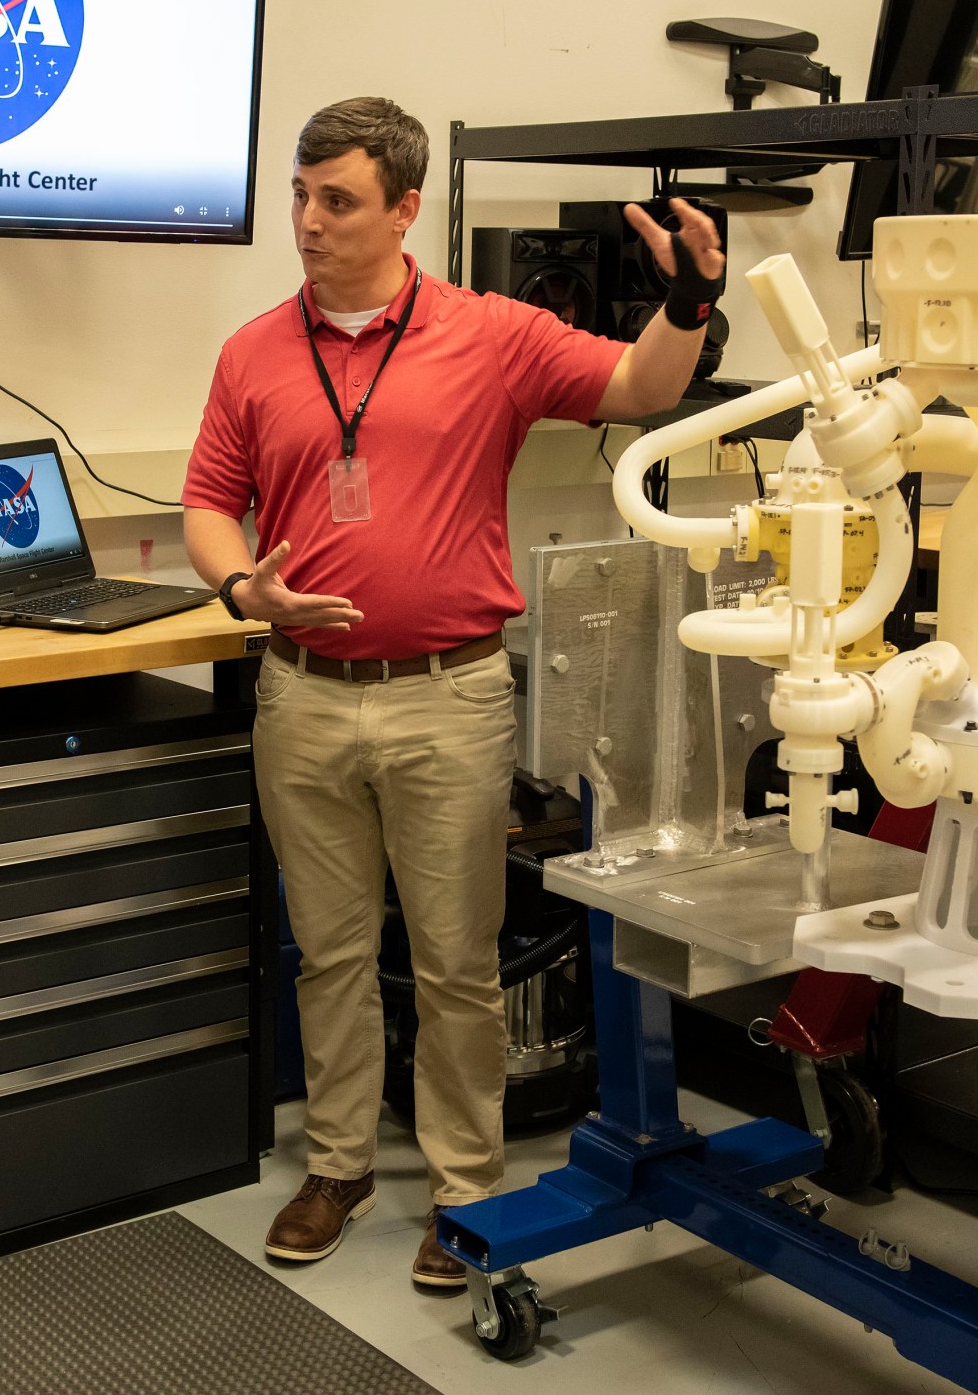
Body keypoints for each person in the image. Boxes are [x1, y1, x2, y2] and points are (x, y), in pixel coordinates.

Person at [183, 96, 723, 1288]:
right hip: (302, 692)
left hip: (448, 695)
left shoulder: (490, 334)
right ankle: (336, 1163)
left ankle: (462, 1186)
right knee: (325, 954)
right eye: (299, 194)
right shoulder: (253, 352)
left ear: (404, 208)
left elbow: (637, 386)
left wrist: (686, 303)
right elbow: (208, 501)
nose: (308, 222)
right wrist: (238, 590)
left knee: (453, 961)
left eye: (337, 200)